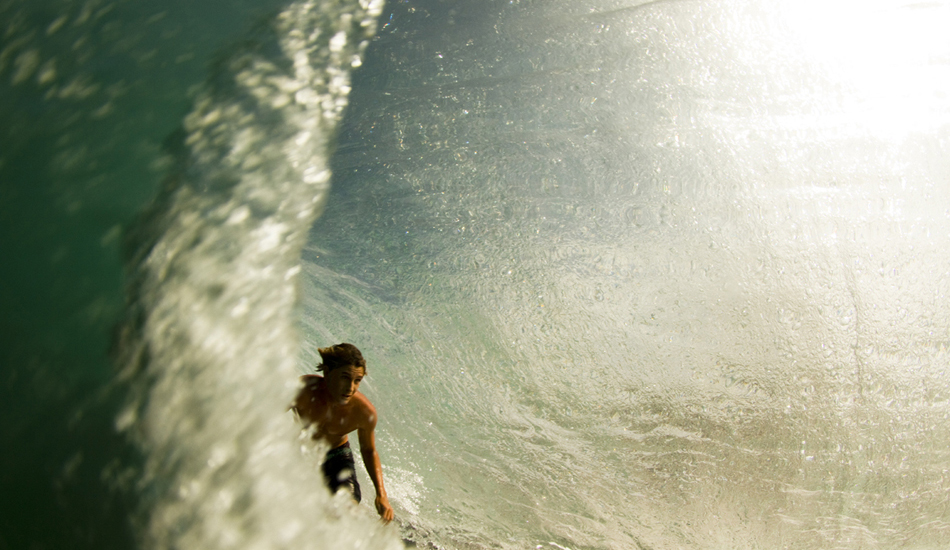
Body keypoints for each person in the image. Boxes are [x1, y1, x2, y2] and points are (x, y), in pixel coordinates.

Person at [292, 343, 395, 522]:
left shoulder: (364, 412)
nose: (350, 387)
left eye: (357, 380)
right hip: (300, 452)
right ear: (327, 372)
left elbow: (369, 451)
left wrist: (381, 495)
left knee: (346, 508)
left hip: (337, 457)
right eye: (345, 378)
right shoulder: (303, 390)